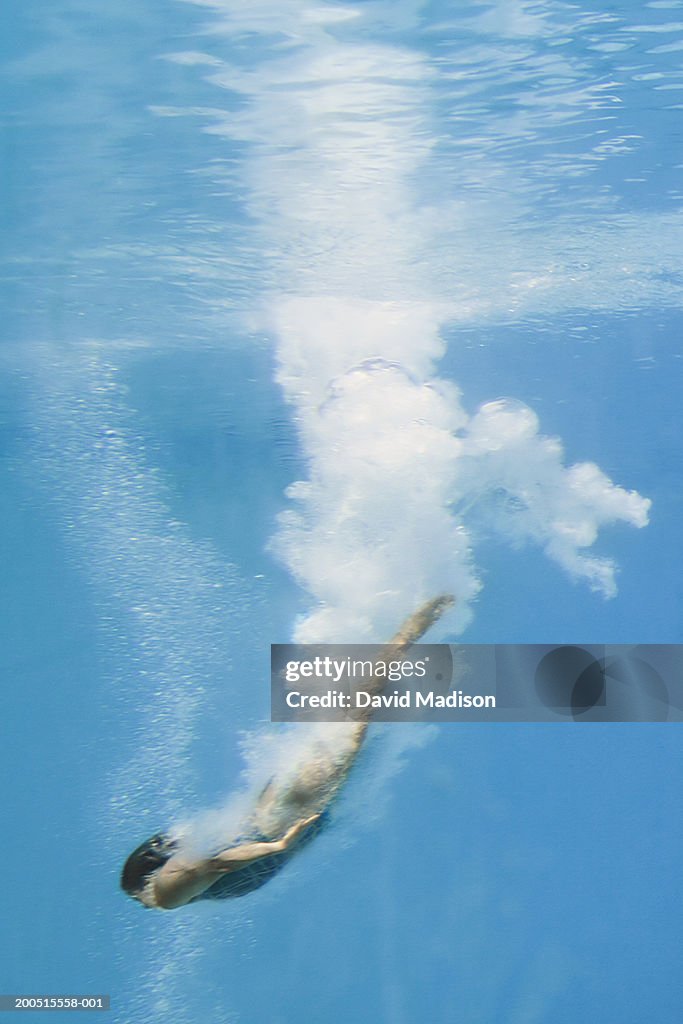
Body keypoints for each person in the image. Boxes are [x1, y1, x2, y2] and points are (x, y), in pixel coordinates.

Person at [120, 594, 453, 910]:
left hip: (281, 818)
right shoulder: (193, 871)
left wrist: (277, 846)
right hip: (286, 811)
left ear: (145, 880)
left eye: (140, 900)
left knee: (357, 713)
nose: (149, 906)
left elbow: (208, 866)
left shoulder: (163, 894)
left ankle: (415, 623)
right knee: (356, 719)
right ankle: (376, 624)